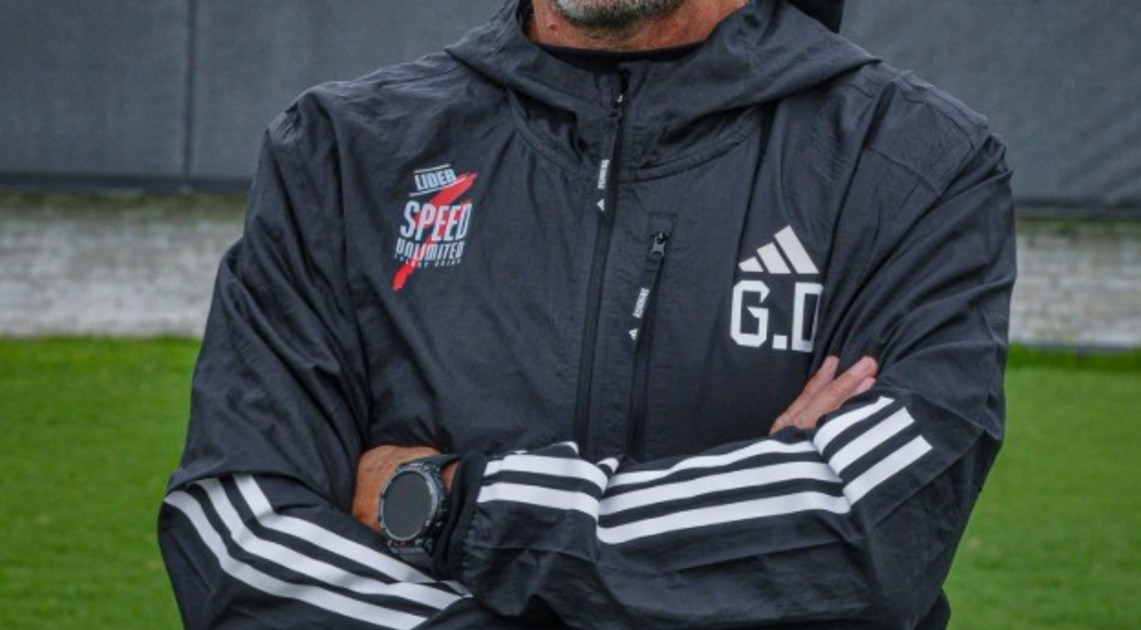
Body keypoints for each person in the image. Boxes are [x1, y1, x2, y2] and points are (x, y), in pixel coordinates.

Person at [158, 0, 1015, 627]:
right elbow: (238, 531)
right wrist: (744, 535)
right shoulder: (343, 152)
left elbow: (868, 529)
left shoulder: (910, 161)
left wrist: (447, 505)